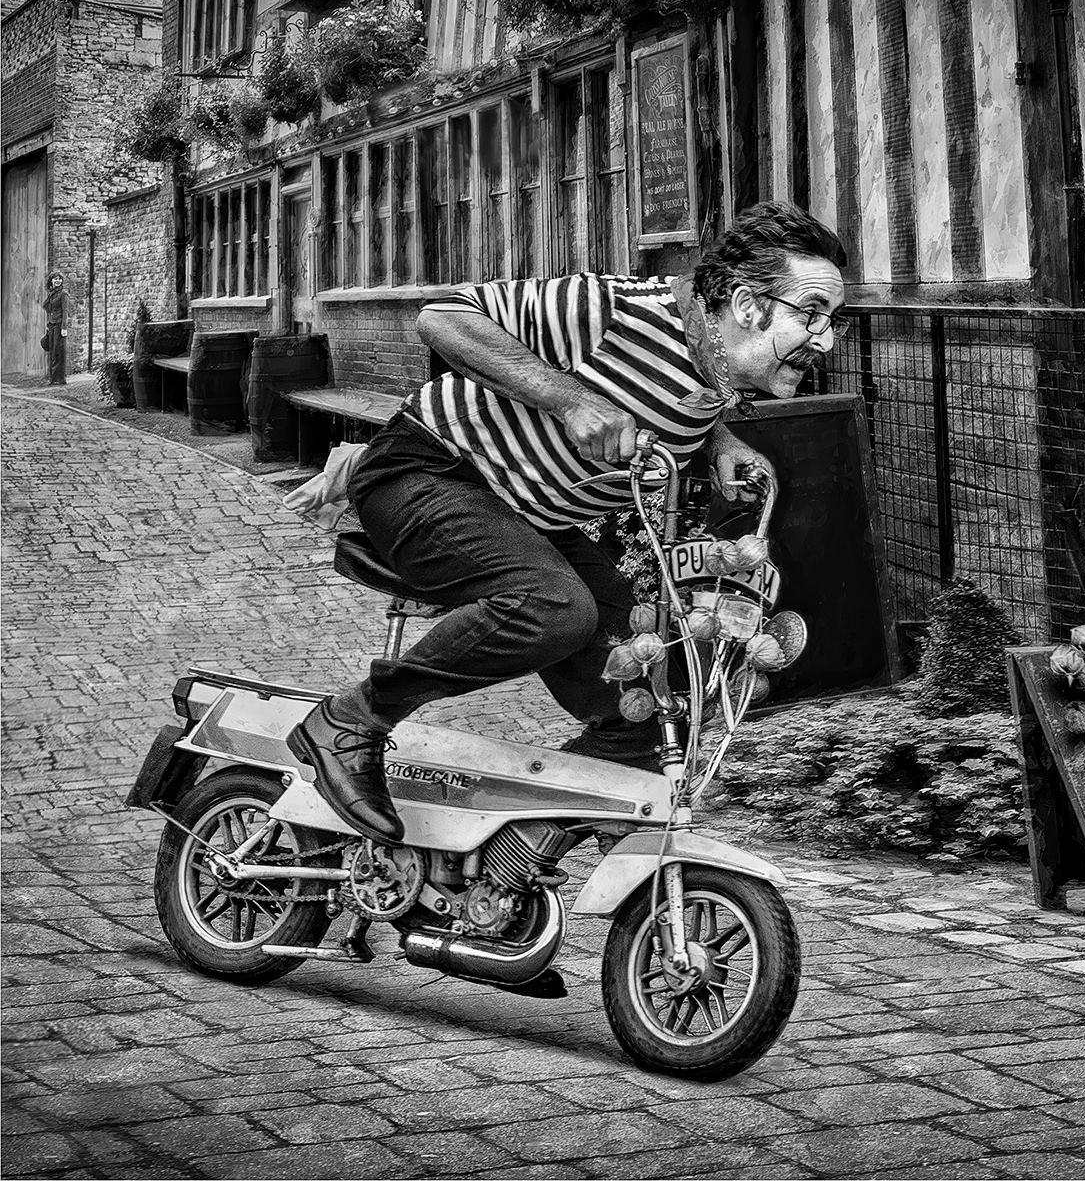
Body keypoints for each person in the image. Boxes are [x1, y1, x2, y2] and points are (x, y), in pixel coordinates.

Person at [286, 202, 850, 845]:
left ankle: (517, 853)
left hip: (536, 517)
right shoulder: (614, 309)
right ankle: (351, 719)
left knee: (656, 703)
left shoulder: (719, 359)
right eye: (812, 314)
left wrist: (719, 440)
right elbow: (442, 317)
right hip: (429, 473)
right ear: (747, 306)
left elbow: (672, 388)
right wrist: (570, 399)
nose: (825, 340)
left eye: (831, 319)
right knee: (555, 609)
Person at [41, 272, 66, 386]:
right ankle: (53, 378)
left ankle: (59, 379)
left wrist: (64, 328)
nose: (58, 281)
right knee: (51, 351)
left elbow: (65, 311)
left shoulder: (63, 294)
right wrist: (48, 324)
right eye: (55, 279)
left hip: (59, 325)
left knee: (58, 352)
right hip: (51, 325)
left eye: (59, 279)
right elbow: (49, 310)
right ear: (51, 280)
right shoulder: (52, 294)